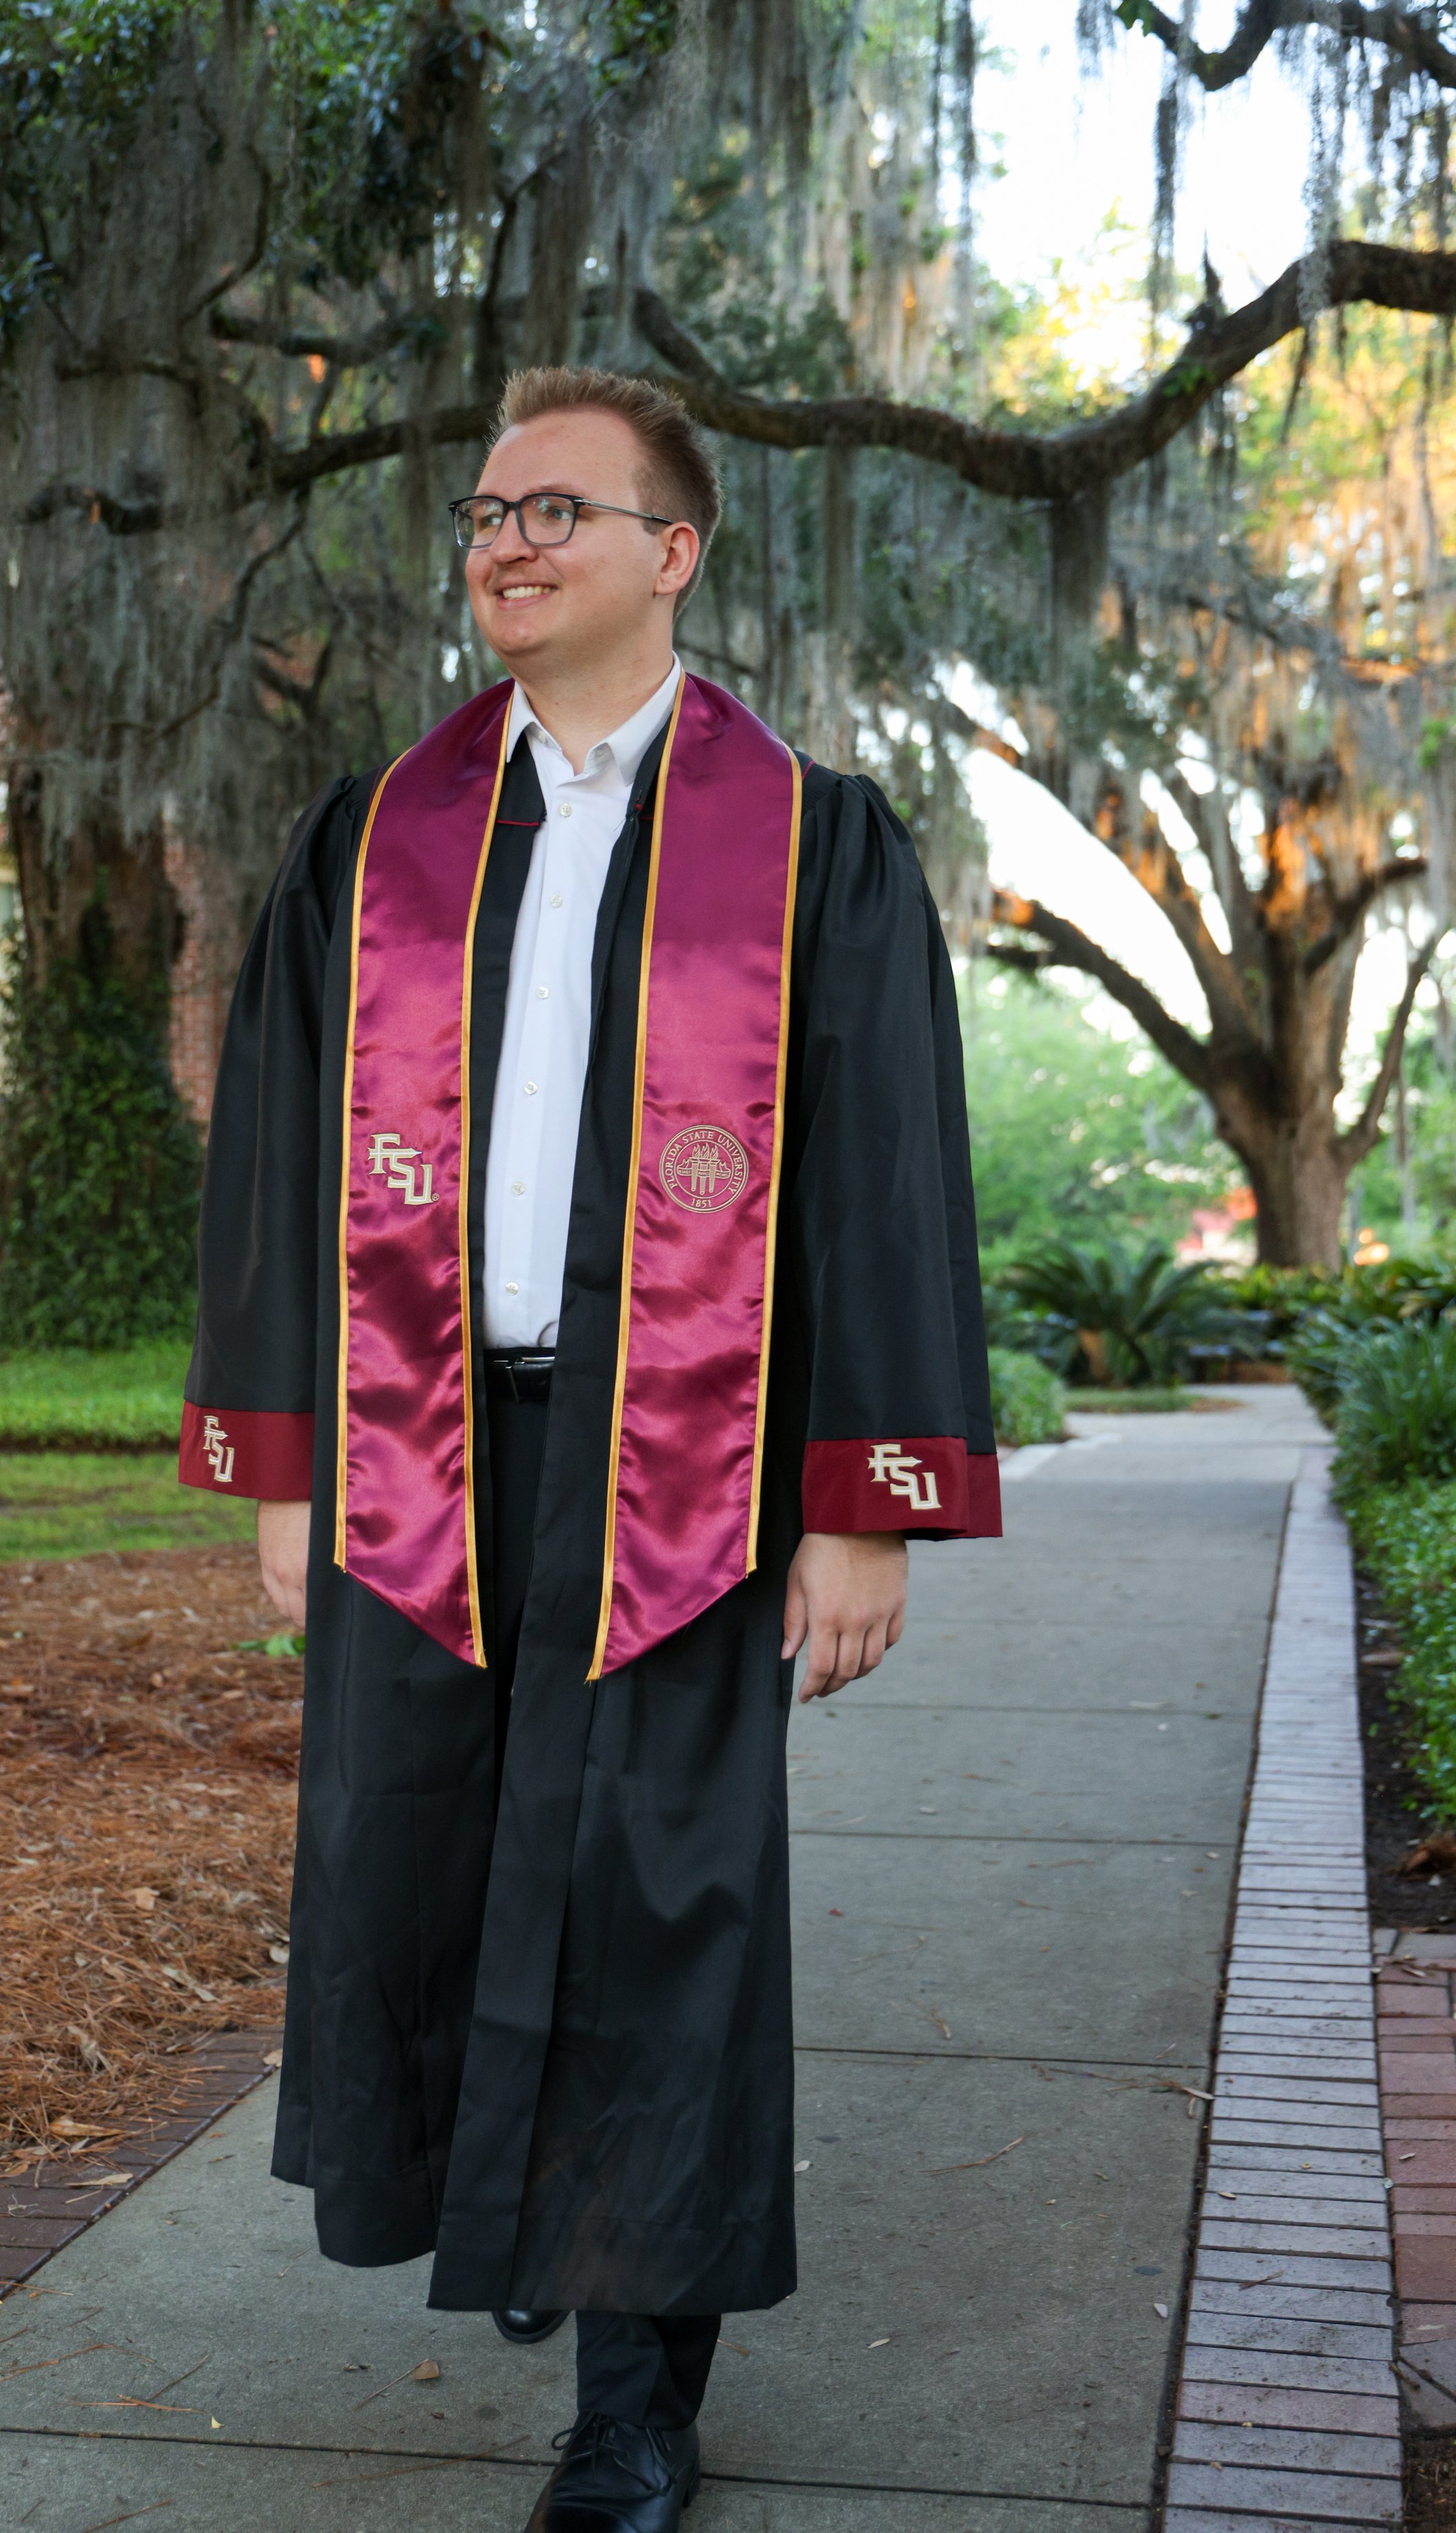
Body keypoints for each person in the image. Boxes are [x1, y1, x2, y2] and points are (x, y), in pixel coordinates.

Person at [179, 365, 1000, 2532]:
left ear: (676, 548)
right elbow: (276, 1156)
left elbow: (883, 1182)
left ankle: (638, 2388)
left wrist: (866, 1507)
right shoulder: (376, 841)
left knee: (663, 1912)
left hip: (694, 1466)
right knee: (424, 1869)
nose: (506, 541)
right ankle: (530, 2221)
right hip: (424, 1439)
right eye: (481, 510)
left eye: (557, 507)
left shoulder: (811, 839)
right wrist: (283, 1466)